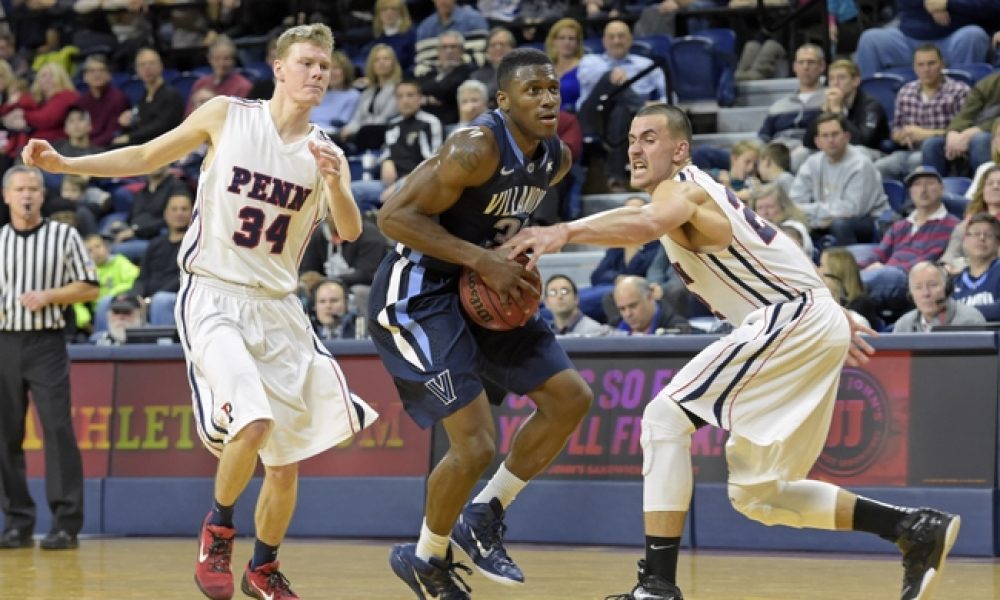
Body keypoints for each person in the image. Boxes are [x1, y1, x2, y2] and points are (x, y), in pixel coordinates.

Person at [506, 103, 961, 600]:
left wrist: (565, 230)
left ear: (680, 149)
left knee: (664, 418)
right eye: (632, 138)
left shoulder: (682, 189)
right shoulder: (686, 192)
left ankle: (657, 586)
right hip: (805, 318)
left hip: (792, 318)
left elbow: (644, 224)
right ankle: (913, 528)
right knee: (759, 494)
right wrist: (832, 313)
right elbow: (660, 221)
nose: (635, 147)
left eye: (650, 138)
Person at [22, 23, 379, 600]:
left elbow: (349, 230)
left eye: (325, 66)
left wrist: (337, 183)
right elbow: (144, 154)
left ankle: (264, 568)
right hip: (214, 295)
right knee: (253, 421)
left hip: (279, 308)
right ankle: (217, 531)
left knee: (284, 464)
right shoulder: (227, 115)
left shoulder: (325, 153)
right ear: (280, 68)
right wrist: (67, 165)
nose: (318, 73)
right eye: (307, 63)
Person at [369, 47, 593, 599]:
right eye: (531, 90)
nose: (545, 99)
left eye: (551, 89)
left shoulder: (555, 159)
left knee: (571, 398)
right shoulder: (474, 147)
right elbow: (392, 217)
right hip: (418, 294)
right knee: (472, 445)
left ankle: (484, 513)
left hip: (480, 288)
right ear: (503, 100)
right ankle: (428, 557)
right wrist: (481, 259)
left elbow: (500, 224)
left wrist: (510, 261)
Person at [0, 165, 99, 551]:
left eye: (34, 189)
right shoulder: (0, 240)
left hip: (46, 341)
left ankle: (65, 523)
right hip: (5, 342)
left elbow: (90, 287)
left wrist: (51, 296)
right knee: (5, 434)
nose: (27, 195)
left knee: (56, 429)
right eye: (20, 189)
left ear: (43, 196)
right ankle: (17, 522)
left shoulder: (64, 235)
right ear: (6, 196)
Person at [789, 112, 889, 245]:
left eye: (835, 134)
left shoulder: (861, 164)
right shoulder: (812, 163)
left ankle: (847, 264)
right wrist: (817, 218)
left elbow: (852, 210)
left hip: (869, 221)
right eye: (825, 136)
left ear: (846, 137)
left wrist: (812, 212)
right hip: (827, 217)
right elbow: (794, 202)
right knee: (791, 224)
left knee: (840, 224)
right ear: (817, 142)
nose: (830, 140)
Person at [893, 261, 985, 331]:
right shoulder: (903, 326)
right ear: (911, 294)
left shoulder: (970, 321)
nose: (926, 293)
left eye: (933, 285)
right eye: (918, 287)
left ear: (947, 288)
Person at [951, 212, 1000, 320]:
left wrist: (960, 314)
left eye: (988, 234)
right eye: (976, 233)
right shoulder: (954, 281)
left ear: (998, 243)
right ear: (965, 241)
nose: (982, 238)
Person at [611, 275, 689, 335]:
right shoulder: (613, 328)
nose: (628, 314)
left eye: (633, 306)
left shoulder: (677, 328)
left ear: (650, 297)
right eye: (622, 309)